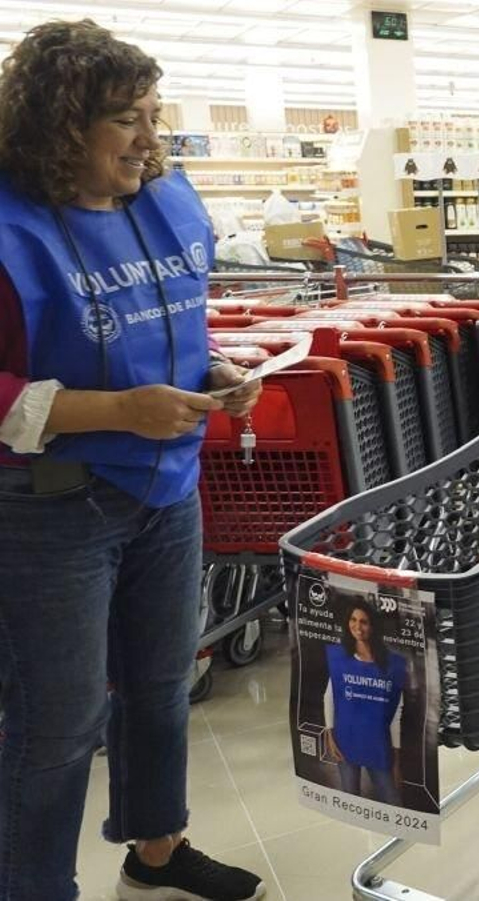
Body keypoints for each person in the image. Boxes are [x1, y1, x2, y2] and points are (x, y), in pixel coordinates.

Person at [0, 19, 266, 901]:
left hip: (166, 492)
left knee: (160, 685)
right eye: (126, 118)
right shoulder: (11, 233)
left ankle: (156, 850)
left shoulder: (159, 207)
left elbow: (169, 317)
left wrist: (215, 367)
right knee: (58, 721)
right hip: (49, 509)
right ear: (60, 125)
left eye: (154, 114)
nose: (152, 138)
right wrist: (120, 410)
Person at [323, 600, 408, 806]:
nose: (357, 626)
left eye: (364, 622)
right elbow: (329, 696)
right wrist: (330, 735)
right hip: (345, 740)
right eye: (353, 620)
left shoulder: (392, 664)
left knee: (392, 799)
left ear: (373, 626)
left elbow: (396, 712)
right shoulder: (339, 657)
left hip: (377, 744)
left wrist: (396, 759)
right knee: (350, 798)